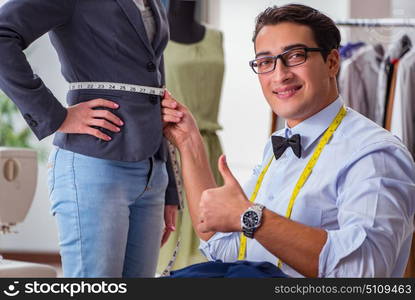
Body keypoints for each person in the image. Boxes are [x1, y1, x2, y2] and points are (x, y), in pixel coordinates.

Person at [161, 4, 415, 277]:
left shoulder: (375, 154)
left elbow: (363, 272)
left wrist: (252, 217)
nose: (280, 75)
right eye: (266, 62)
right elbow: (229, 248)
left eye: (295, 56)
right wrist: (189, 142)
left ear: (331, 62)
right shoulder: (277, 146)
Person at [0, 0, 179, 277]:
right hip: (95, 162)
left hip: (152, 170)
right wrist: (56, 115)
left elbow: (154, 83)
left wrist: (167, 187)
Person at [157, 0, 225, 272]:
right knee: (174, 240)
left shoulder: (216, 37)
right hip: (173, 144)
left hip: (210, 145)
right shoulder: (157, 37)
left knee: (215, 235)